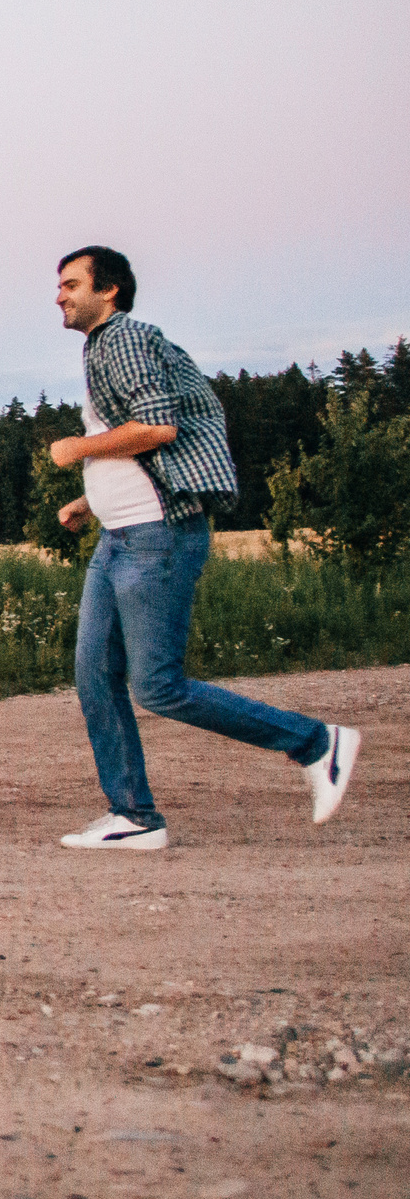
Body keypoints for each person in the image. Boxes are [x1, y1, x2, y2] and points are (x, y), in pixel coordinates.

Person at [48, 245, 361, 851]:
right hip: (119, 539)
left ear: (108, 290)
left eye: (70, 284)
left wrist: (74, 451)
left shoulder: (127, 337)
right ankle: (134, 817)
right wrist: (90, 500)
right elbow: (143, 449)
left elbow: (158, 426)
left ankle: (317, 744)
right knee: (94, 675)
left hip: (156, 540)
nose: (59, 295)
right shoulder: (101, 348)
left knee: (159, 686)